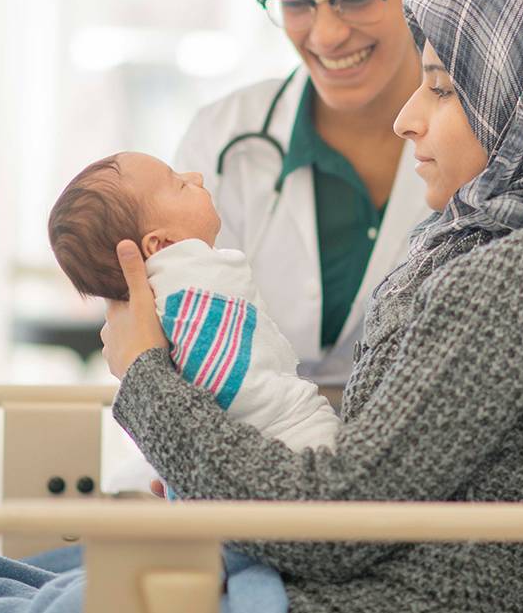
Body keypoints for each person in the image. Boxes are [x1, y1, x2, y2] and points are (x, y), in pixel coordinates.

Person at [103, 0, 523, 613]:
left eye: (440, 90)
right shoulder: (480, 247)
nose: (406, 119)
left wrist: (146, 377)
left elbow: (335, 523)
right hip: (357, 599)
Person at [173, 0, 447, 387]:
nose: (325, 35)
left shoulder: (494, 145)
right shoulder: (222, 139)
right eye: (296, 1)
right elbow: (173, 346)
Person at [48, 151, 337, 452]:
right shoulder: (195, 290)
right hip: (290, 436)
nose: (196, 178)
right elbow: (231, 395)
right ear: (162, 244)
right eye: (180, 185)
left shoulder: (159, 310)